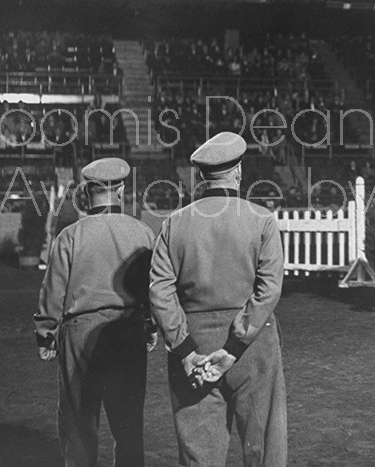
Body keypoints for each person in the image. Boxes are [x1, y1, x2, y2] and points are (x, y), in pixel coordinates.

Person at [149, 131, 287, 467]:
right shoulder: (262, 220)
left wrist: (184, 350)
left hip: (194, 345)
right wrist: (236, 346)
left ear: (200, 176)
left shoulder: (174, 224)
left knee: (199, 454)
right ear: (238, 172)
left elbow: (159, 290)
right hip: (253, 346)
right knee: (263, 448)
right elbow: (269, 288)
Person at [33, 158, 157, 467]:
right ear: (122, 188)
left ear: (87, 192)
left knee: (78, 426)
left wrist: (46, 335)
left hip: (80, 335)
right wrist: (151, 327)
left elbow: (53, 294)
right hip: (127, 331)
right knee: (129, 428)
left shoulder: (69, 237)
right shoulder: (142, 233)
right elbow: (154, 290)